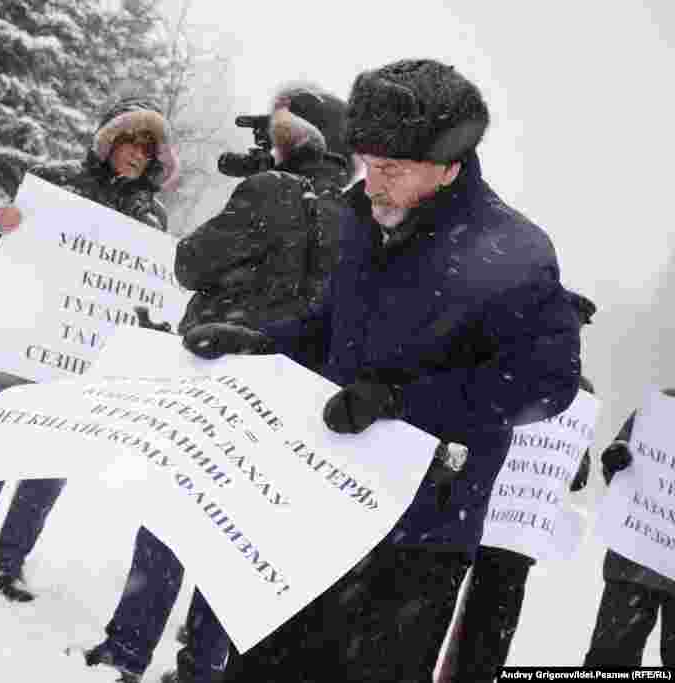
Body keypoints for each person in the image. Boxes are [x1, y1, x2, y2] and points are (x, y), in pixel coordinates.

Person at [183, 58, 582, 682]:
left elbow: (545, 383)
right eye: (368, 163)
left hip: (418, 537)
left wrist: (401, 401)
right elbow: (328, 325)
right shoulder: (360, 217)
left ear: (449, 167)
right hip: (317, 504)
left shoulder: (515, 251)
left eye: (392, 169)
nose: (372, 183)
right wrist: (260, 340)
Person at [85, 84, 354, 683]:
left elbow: (191, 263)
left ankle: (125, 652)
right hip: (289, 396)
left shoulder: (270, 190)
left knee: (174, 518)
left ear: (294, 140)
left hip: (220, 379)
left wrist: (256, 199)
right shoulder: (356, 214)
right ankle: (201, 668)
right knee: (237, 535)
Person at [0, 93, 178, 603]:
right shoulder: (55, 182)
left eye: (146, 149)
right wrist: (2, 228)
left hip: (87, 358)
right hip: (26, 340)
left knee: (50, 465)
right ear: (108, 140)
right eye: (129, 140)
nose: (135, 155)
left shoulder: (151, 218)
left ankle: (7, 563)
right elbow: (2, 245)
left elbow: (145, 292)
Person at [445, 291, 596, 682]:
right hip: (469, 505)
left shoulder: (581, 394)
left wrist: (578, 462)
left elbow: (577, 476)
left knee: (492, 621)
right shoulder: (499, 359)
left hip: (515, 528)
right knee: (434, 607)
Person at [583, 388, 675, 667]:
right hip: (635, 560)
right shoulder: (661, 409)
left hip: (635, 564)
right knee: (611, 659)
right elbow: (620, 469)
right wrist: (616, 458)